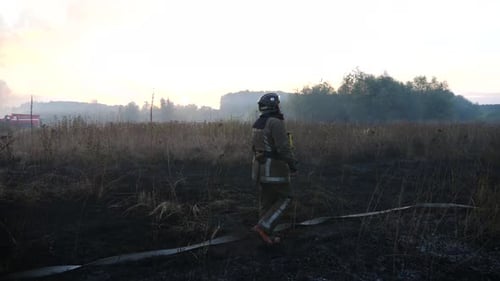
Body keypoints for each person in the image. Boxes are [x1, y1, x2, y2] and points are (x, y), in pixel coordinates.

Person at [251, 93, 298, 245]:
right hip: (275, 171)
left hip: (260, 169)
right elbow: (283, 148)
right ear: (274, 106)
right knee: (287, 197)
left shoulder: (258, 123)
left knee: (267, 201)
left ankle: (264, 236)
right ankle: (263, 227)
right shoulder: (276, 122)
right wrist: (292, 164)